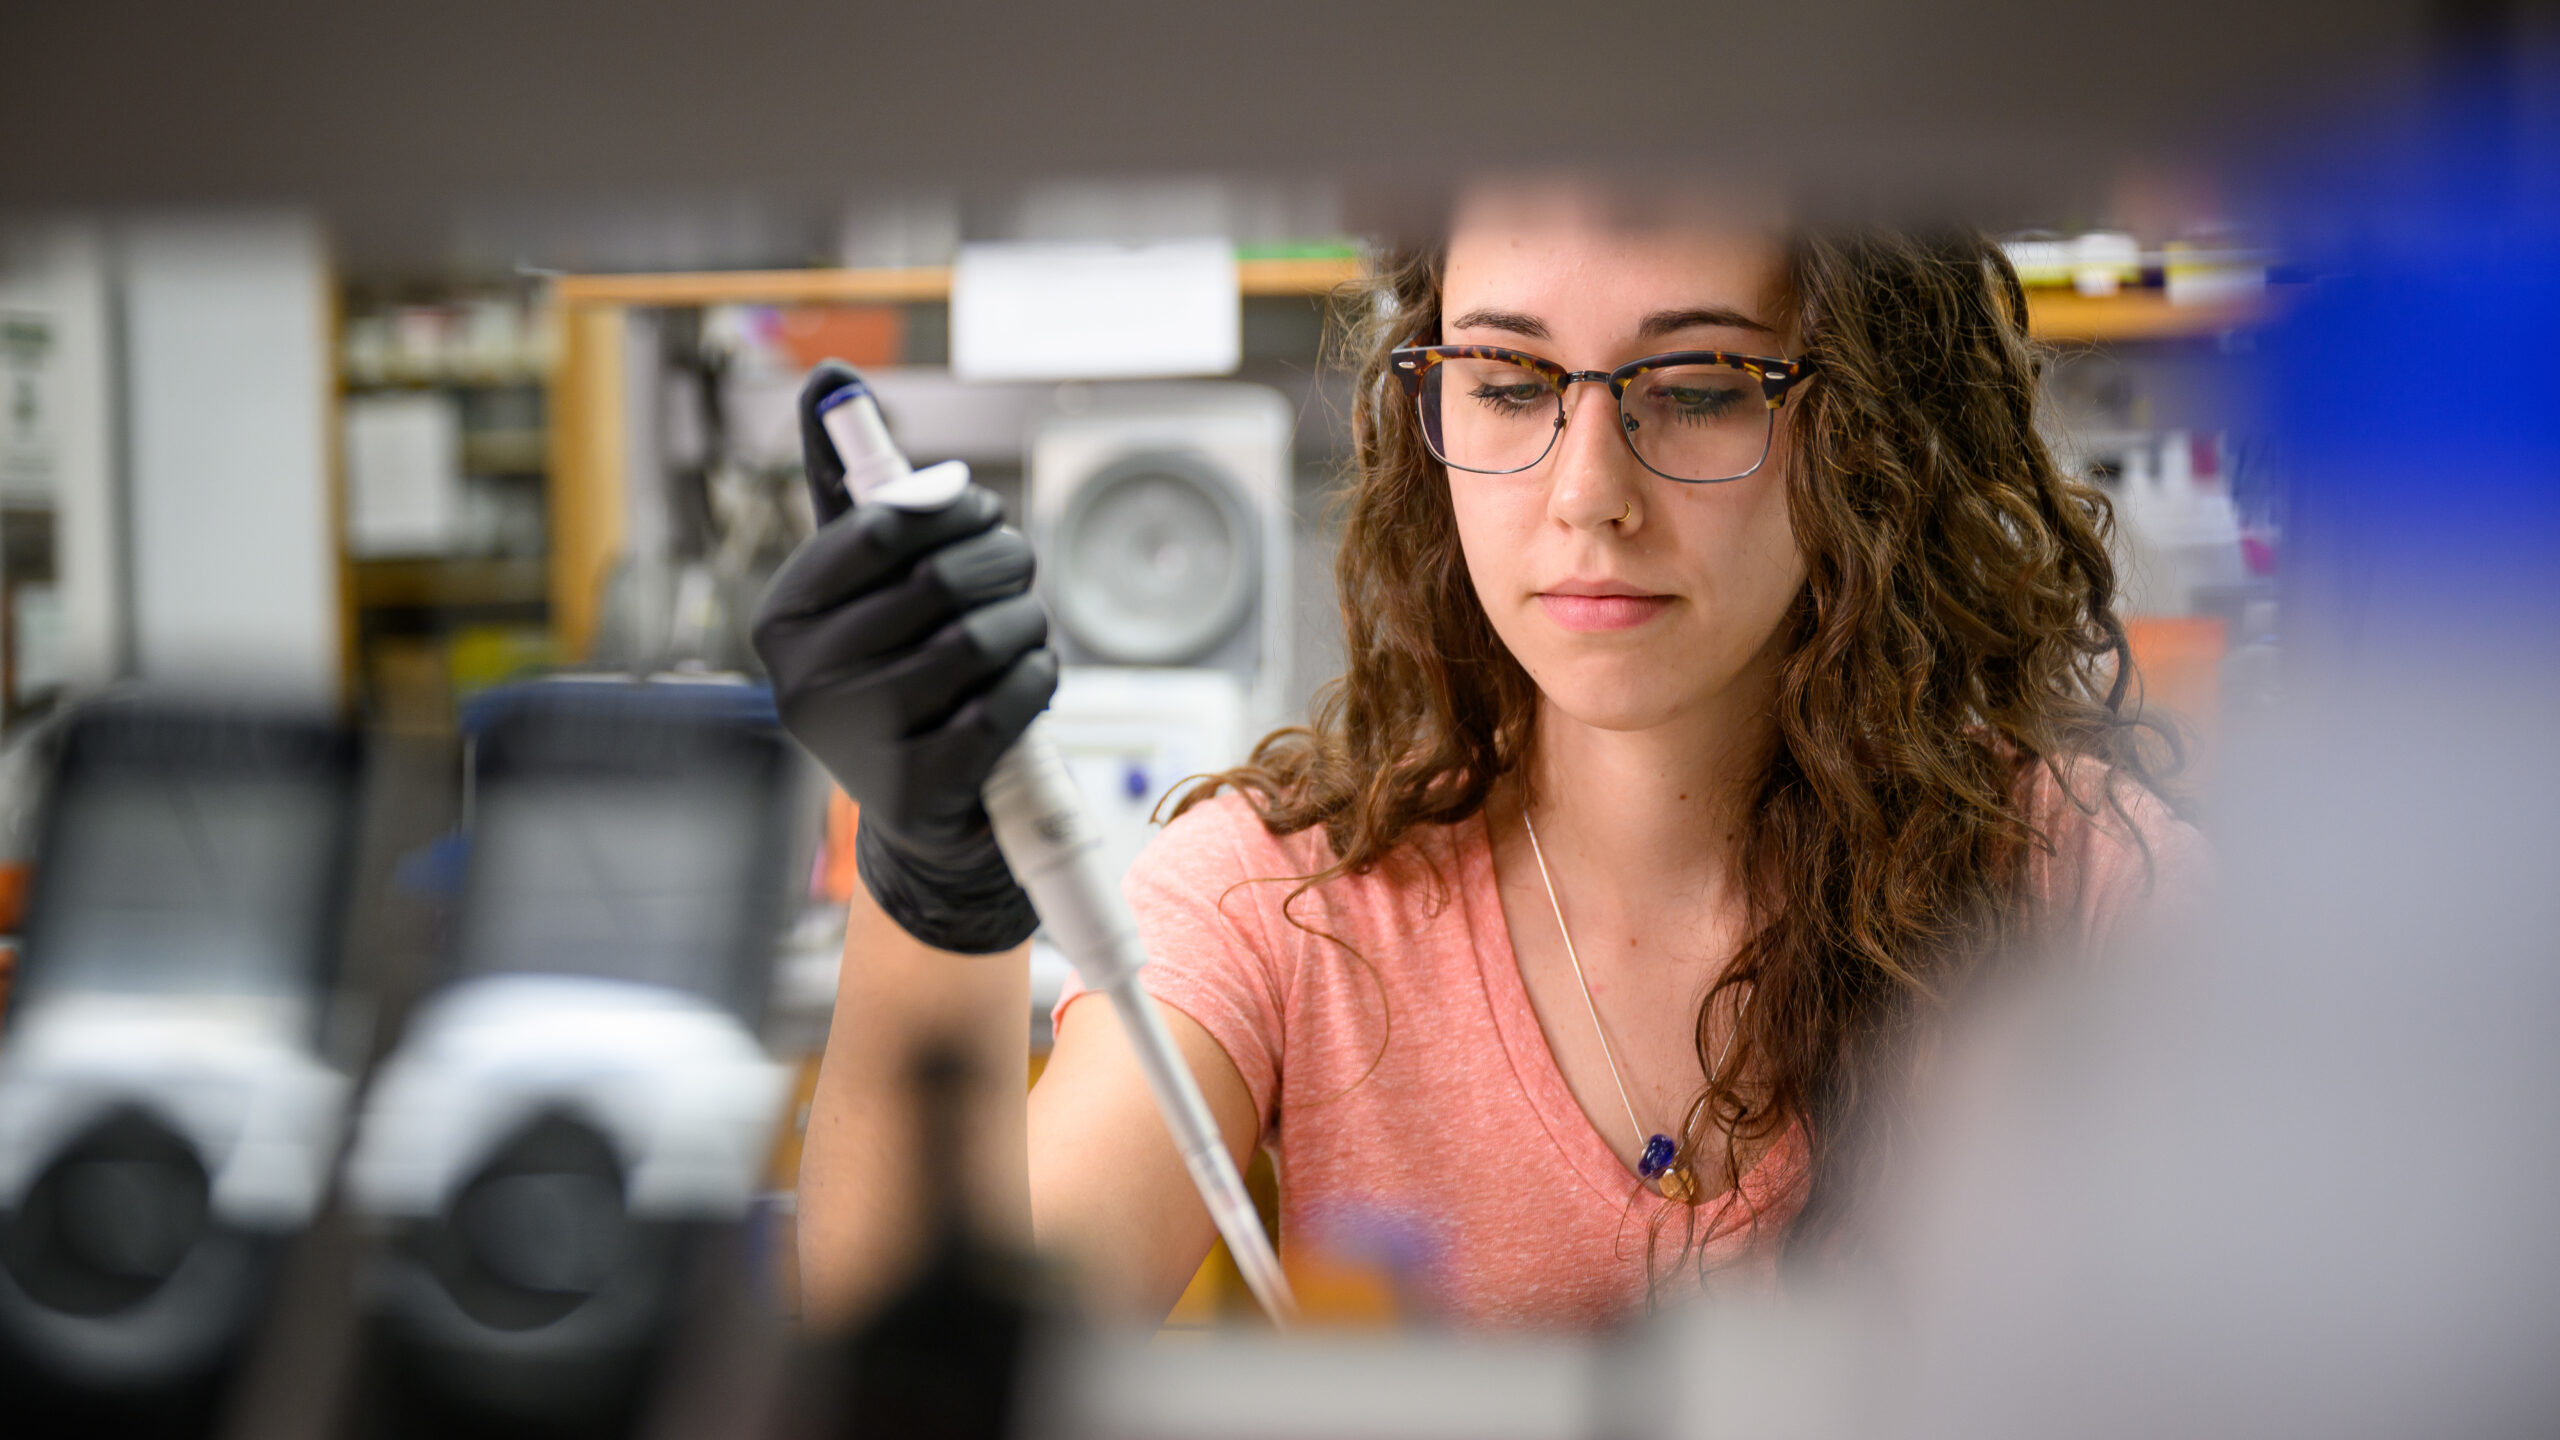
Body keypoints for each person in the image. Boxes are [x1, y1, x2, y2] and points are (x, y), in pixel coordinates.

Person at [753, 185, 2204, 1332]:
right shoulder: (1290, 901)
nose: (1588, 495)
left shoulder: (2078, 891)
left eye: (1696, 384)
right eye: (1509, 382)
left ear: (1875, 429)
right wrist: (933, 873)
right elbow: (926, 1363)